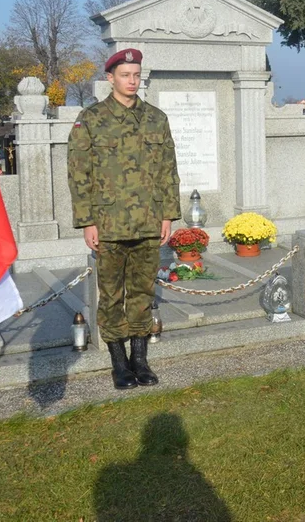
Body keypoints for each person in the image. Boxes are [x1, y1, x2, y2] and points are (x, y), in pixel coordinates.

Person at [68, 49, 181, 389]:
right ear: (110, 78)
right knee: (112, 294)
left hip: (148, 221)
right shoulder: (91, 119)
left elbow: (167, 171)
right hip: (109, 224)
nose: (132, 81)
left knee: (143, 292)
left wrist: (167, 215)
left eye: (136, 75)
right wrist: (88, 221)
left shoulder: (156, 119)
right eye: (125, 75)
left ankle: (140, 360)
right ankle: (118, 363)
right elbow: (79, 173)